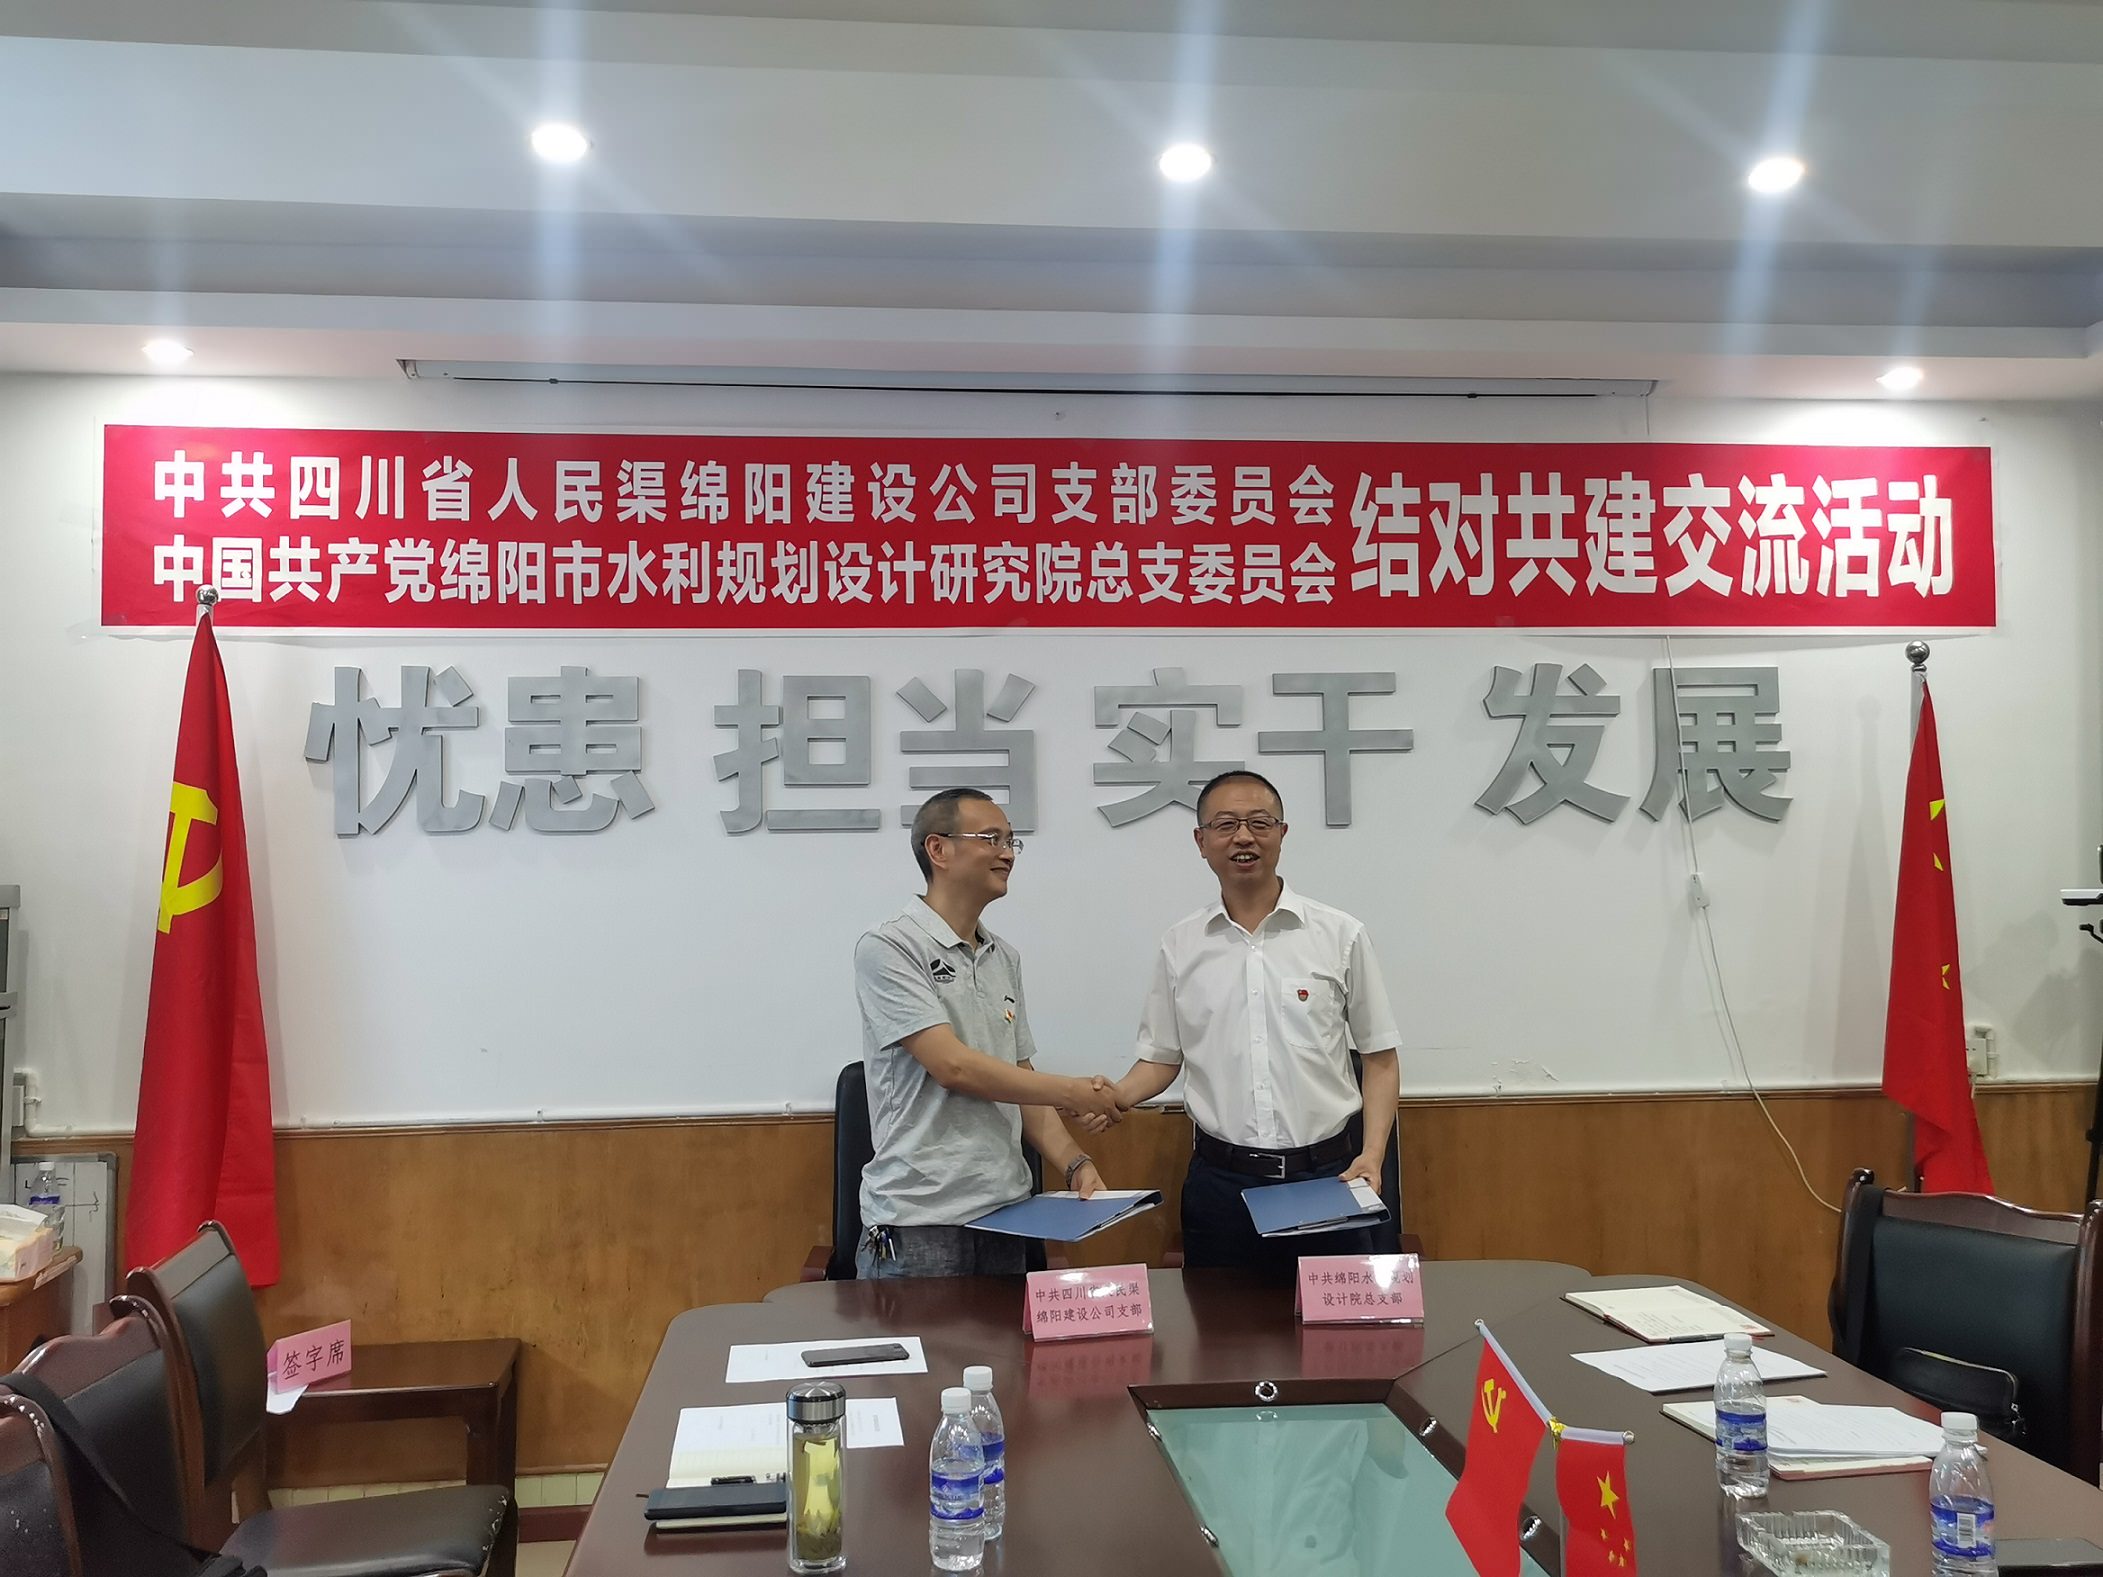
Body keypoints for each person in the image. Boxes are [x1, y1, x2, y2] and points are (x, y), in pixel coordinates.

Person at [1096, 769, 1400, 1278]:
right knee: (1221, 1326)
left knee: (1333, 1327)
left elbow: (1380, 1057)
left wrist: (1372, 1155)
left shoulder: (1340, 934)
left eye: (1260, 823)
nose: (1244, 837)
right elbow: (1161, 1059)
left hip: (1327, 1177)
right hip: (1221, 1185)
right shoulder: (1181, 944)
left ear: (1282, 833)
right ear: (1201, 841)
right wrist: (1114, 1098)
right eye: (1226, 825)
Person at [852, 787, 1123, 1279]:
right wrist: (1073, 1091)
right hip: (921, 1219)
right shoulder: (890, 945)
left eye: (1011, 841)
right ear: (938, 849)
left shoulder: (1004, 957)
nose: (1007, 854)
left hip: (1008, 1214)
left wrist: (1076, 1163)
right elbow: (952, 1066)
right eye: (991, 838)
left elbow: (1020, 1080)